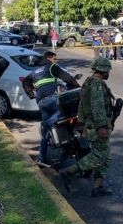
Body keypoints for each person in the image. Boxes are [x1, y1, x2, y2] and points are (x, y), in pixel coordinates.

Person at [59, 57, 116, 197]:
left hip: (92, 125)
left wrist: (82, 123)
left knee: (106, 156)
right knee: (99, 155)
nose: (109, 72)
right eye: (107, 70)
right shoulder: (96, 85)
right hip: (98, 127)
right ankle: (69, 172)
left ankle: (98, 185)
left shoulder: (89, 82)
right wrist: (102, 126)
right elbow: (97, 108)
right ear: (103, 70)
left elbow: (82, 105)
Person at [22, 50, 81, 167]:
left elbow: (25, 82)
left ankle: (41, 158)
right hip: (51, 99)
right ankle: (49, 125)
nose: (55, 61)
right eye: (55, 59)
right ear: (50, 58)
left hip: (41, 103)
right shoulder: (51, 67)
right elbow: (67, 77)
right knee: (65, 114)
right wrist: (77, 87)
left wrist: (31, 94)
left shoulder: (34, 72)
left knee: (45, 133)